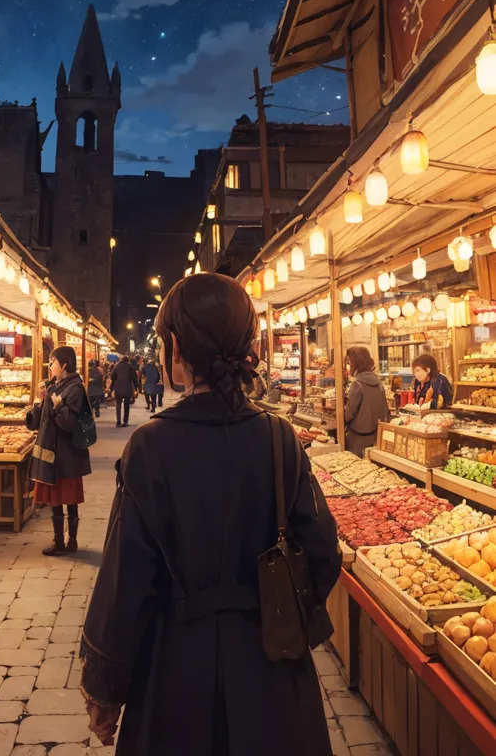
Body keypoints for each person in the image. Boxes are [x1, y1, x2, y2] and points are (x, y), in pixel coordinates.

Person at [81, 272, 341, 754]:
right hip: (273, 675)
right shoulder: (277, 437)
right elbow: (324, 552)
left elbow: (126, 579)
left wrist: (106, 686)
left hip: (175, 675)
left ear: (175, 350)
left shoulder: (151, 446)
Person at [27, 346, 92, 555]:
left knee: (69, 499)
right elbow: (38, 421)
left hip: (67, 455)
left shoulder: (75, 388)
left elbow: (69, 424)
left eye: (53, 362)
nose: (50, 366)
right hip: (51, 452)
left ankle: (70, 541)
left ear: (64, 365)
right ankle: (58, 541)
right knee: (55, 499)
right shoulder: (54, 385)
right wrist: (40, 399)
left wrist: (56, 404)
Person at [344, 346, 389, 457]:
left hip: (356, 438)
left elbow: (349, 415)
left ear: (356, 364)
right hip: (375, 436)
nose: (348, 366)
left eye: (349, 363)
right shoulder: (379, 383)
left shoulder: (357, 384)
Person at [110, 355, 139, 427]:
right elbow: (134, 378)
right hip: (127, 388)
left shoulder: (117, 366)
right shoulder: (130, 367)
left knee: (118, 405)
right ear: (128, 360)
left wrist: (112, 386)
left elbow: (112, 376)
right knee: (126, 405)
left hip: (118, 388)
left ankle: (118, 422)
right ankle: (125, 422)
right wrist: (135, 388)